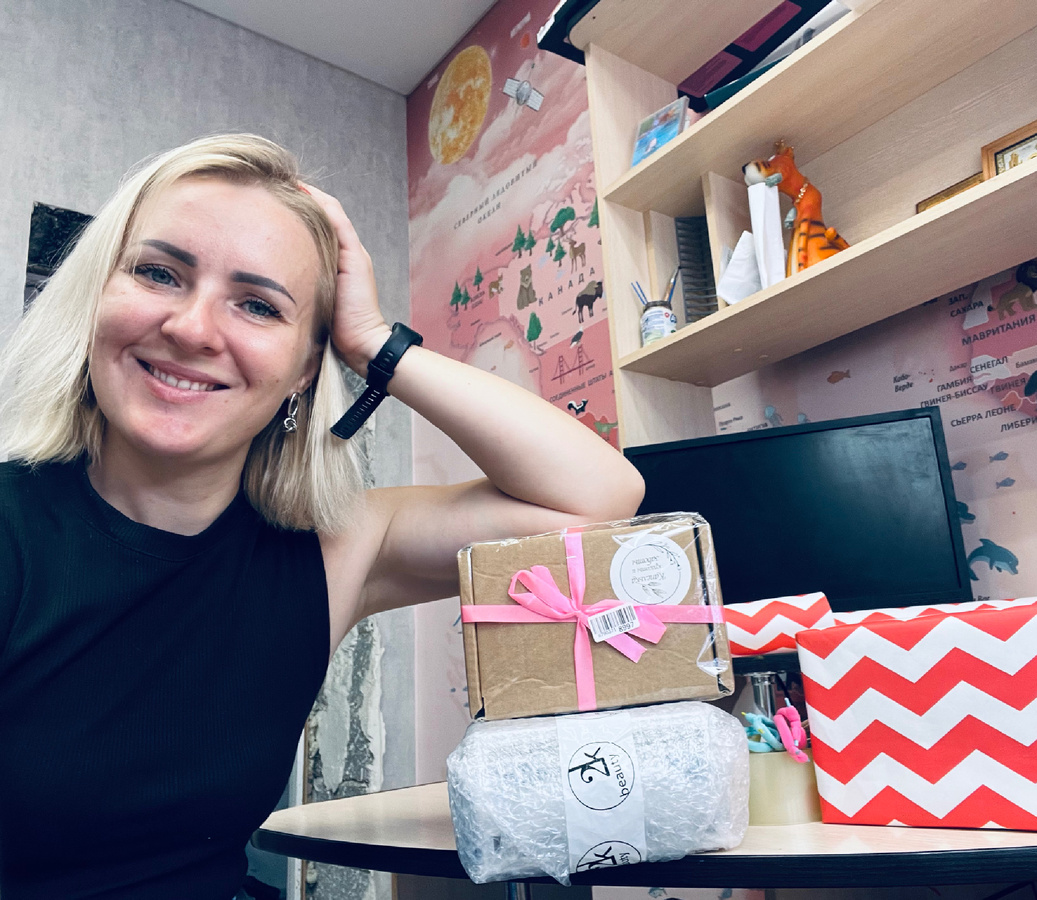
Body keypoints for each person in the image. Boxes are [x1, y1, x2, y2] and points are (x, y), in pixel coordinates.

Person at [0, 134, 644, 899]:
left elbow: (597, 499)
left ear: (306, 369)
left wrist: (376, 346)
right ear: (98, 296)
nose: (193, 328)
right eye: (159, 273)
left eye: (257, 304)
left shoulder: (337, 548)